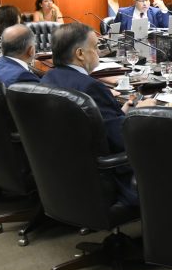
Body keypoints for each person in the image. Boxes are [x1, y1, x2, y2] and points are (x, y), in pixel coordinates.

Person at [41, 23, 152, 206]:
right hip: (109, 179)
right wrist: (142, 113)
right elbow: (121, 140)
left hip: (67, 174)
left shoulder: (48, 78)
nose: (98, 52)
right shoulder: (91, 87)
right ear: (80, 54)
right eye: (95, 47)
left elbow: (93, 124)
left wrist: (122, 113)